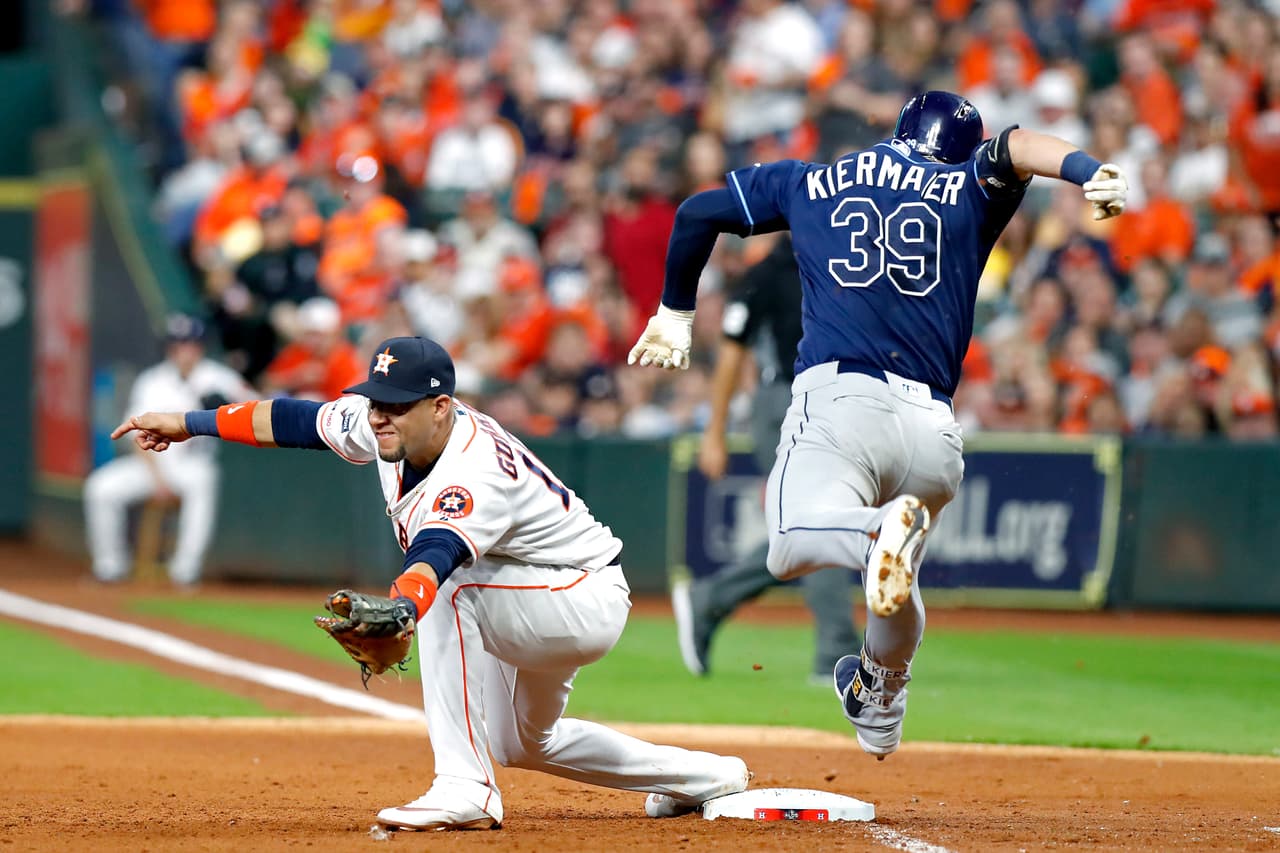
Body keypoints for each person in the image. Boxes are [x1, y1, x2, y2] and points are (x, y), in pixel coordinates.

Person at [628, 91, 1128, 759]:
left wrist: (673, 314)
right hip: (933, 435)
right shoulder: (966, 185)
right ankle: (879, 703)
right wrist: (1090, 168)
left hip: (843, 402)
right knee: (893, 586)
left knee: (788, 544)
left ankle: (872, 535)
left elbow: (696, 213)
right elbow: (1018, 146)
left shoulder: (812, 180)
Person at [111, 335, 749, 829]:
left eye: (396, 405)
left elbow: (437, 554)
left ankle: (466, 789)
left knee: (451, 591)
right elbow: (295, 420)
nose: (378, 415)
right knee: (522, 741)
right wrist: (187, 422)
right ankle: (705, 777)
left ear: (441, 407)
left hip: (579, 595)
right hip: (522, 590)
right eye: (376, 400)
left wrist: (402, 607)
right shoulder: (385, 422)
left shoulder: (472, 465)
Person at [675, 233, 859, 684]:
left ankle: (712, 598)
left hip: (834, 399)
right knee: (823, 518)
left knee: (811, 522)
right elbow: (732, 351)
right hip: (786, 401)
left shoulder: (847, 259)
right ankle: (837, 653)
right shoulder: (769, 273)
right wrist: (714, 431)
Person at [84, 314, 255, 586]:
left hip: (191, 465)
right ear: (170, 348)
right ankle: (110, 566)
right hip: (150, 466)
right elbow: (135, 435)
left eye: (190, 343)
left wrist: (227, 406)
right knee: (100, 486)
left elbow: (257, 407)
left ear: (200, 346)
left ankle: (185, 572)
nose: (184, 350)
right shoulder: (152, 380)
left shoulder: (219, 378)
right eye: (178, 344)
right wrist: (157, 479)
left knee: (204, 480)